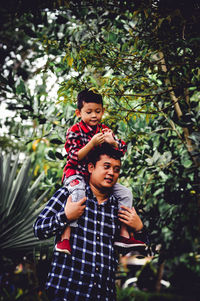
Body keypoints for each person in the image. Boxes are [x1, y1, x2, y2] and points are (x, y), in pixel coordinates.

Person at [33, 144, 146, 301]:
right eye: (106, 166)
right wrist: (66, 216)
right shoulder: (70, 194)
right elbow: (39, 229)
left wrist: (139, 228)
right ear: (91, 167)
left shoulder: (118, 207)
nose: (111, 173)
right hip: (67, 292)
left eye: (116, 169)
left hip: (103, 295)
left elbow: (133, 251)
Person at [55, 88, 145, 254]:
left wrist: (113, 143)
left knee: (126, 194)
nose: (94, 116)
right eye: (89, 112)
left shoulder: (104, 130)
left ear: (103, 111)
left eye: (98, 111)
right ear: (78, 112)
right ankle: (64, 239)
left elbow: (121, 151)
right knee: (78, 193)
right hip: (76, 174)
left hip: (94, 177)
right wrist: (91, 144)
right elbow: (74, 157)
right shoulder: (74, 131)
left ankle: (123, 234)